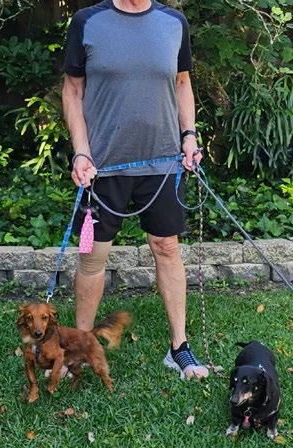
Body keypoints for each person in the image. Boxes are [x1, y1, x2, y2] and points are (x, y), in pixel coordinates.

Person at [62, 0, 208, 379]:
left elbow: (182, 83)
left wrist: (189, 136)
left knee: (167, 247)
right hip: (100, 168)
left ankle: (179, 348)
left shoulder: (173, 22)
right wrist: (81, 151)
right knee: (91, 255)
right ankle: (79, 347)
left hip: (162, 166)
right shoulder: (87, 21)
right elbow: (73, 90)